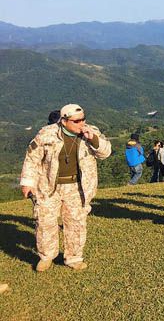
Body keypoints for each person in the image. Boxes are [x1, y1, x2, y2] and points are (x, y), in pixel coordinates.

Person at [20, 104, 111, 271]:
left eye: (83, 119)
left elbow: (105, 153)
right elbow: (32, 158)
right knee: (45, 222)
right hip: (48, 186)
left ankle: (74, 258)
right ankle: (46, 257)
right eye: (76, 121)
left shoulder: (90, 132)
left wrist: (93, 139)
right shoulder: (46, 134)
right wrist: (27, 182)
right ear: (64, 121)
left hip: (77, 187)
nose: (81, 123)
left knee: (76, 223)